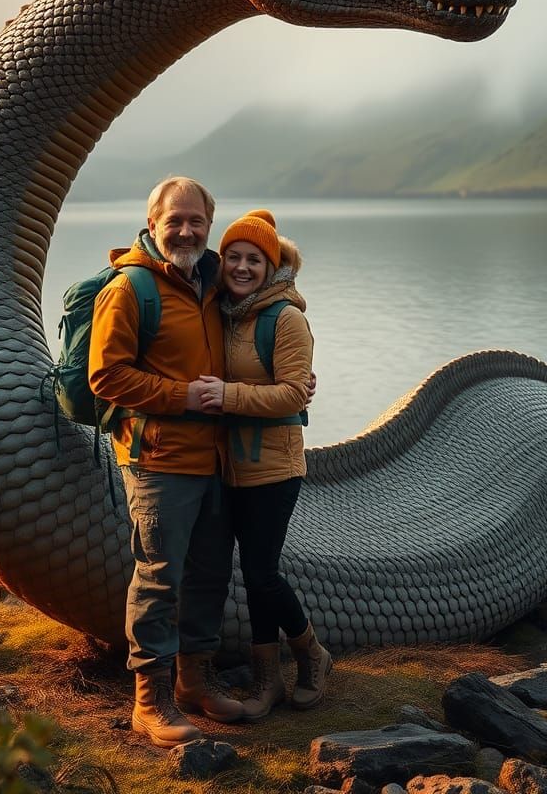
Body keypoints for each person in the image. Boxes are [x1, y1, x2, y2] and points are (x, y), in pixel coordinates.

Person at [88, 176, 244, 748]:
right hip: (159, 459)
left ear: (210, 226)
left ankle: (195, 682)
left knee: (209, 572)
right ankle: (149, 701)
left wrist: (292, 382)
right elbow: (105, 376)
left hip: (216, 460)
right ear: (152, 223)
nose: (185, 230)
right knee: (158, 577)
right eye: (173, 220)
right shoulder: (130, 289)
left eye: (196, 221)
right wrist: (183, 397)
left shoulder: (211, 282)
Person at [198, 209, 332, 721]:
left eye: (254, 259)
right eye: (233, 256)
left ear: (271, 265)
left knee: (261, 572)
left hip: (274, 469)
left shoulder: (286, 317)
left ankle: (311, 655)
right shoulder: (222, 311)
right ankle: (267, 680)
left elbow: (297, 393)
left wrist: (228, 395)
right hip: (225, 467)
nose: (242, 267)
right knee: (250, 575)